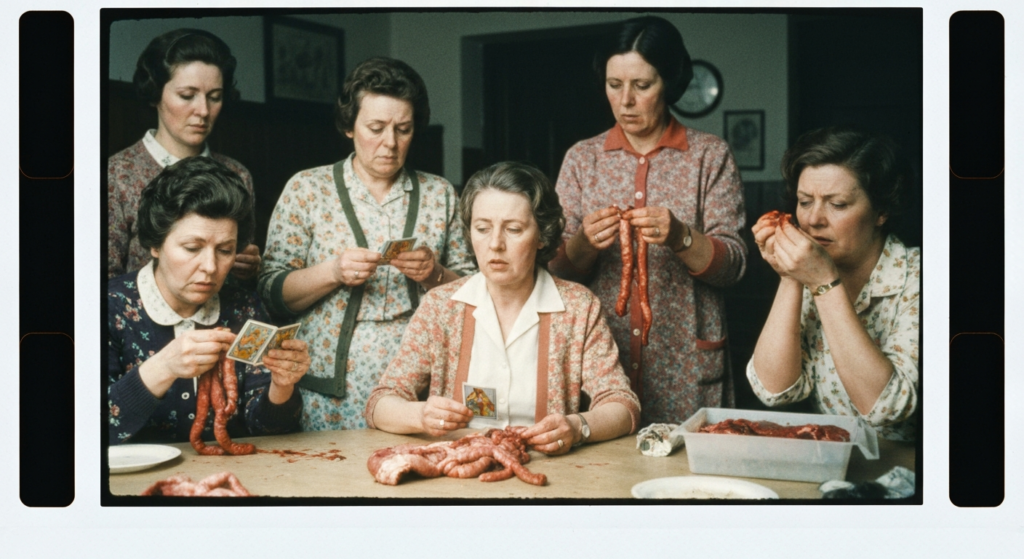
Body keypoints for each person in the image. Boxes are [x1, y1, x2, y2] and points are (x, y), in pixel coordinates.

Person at [258, 57, 476, 431]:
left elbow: (476, 295)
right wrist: (332, 272)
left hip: (418, 386)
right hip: (327, 392)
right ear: (348, 126)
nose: (390, 143)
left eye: (403, 129)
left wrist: (434, 273)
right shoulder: (307, 189)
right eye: (375, 127)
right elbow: (271, 292)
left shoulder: (440, 194)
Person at [548, 16, 747, 425]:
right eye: (614, 85)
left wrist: (681, 237)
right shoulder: (582, 159)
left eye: (642, 86)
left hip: (685, 365)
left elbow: (735, 267)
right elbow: (551, 273)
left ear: (670, 83)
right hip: (602, 359)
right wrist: (584, 244)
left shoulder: (710, 156)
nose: (625, 101)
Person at [366, 162, 640, 454]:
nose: (495, 244)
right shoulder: (441, 307)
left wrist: (577, 427)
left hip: (552, 477)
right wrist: (420, 416)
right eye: (482, 228)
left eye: (513, 229)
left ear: (543, 236)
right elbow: (380, 403)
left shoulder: (578, 308)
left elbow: (622, 405)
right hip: (460, 472)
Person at [107, 157, 310, 444]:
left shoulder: (245, 308)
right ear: (155, 243)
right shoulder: (109, 306)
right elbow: (89, 429)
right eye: (192, 248)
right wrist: (163, 366)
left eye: (225, 250)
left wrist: (282, 385)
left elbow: (269, 431)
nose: (211, 267)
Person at [747, 127, 919, 441]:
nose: (813, 220)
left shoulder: (921, 278)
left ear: (881, 211)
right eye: (804, 201)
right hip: (836, 464)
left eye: (837, 204)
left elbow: (889, 409)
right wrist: (790, 276)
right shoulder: (811, 268)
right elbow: (773, 391)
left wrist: (825, 283)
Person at [108, 28, 261, 280]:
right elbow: (103, 286)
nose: (202, 110)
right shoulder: (117, 175)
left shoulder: (237, 174)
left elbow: (236, 280)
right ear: (155, 93)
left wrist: (248, 267)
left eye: (215, 97)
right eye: (187, 96)